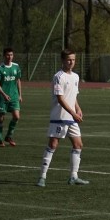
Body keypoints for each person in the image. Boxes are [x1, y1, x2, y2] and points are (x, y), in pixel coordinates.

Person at [37, 49, 89, 187]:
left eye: (73, 59)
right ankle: (42, 177)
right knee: (53, 145)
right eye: (68, 59)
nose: (71, 62)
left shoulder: (76, 77)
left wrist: (78, 108)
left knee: (78, 145)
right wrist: (73, 112)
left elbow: (73, 96)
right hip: (59, 117)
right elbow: (60, 98)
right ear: (63, 60)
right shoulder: (58, 77)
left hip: (72, 117)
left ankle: (73, 176)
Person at [0, 47, 23, 147]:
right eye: (7, 55)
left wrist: (20, 95)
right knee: (1, 118)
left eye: (11, 55)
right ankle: (0, 140)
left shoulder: (16, 66)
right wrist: (4, 95)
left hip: (14, 96)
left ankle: (9, 136)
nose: (10, 57)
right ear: (4, 56)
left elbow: (18, 80)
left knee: (16, 116)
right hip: (2, 97)